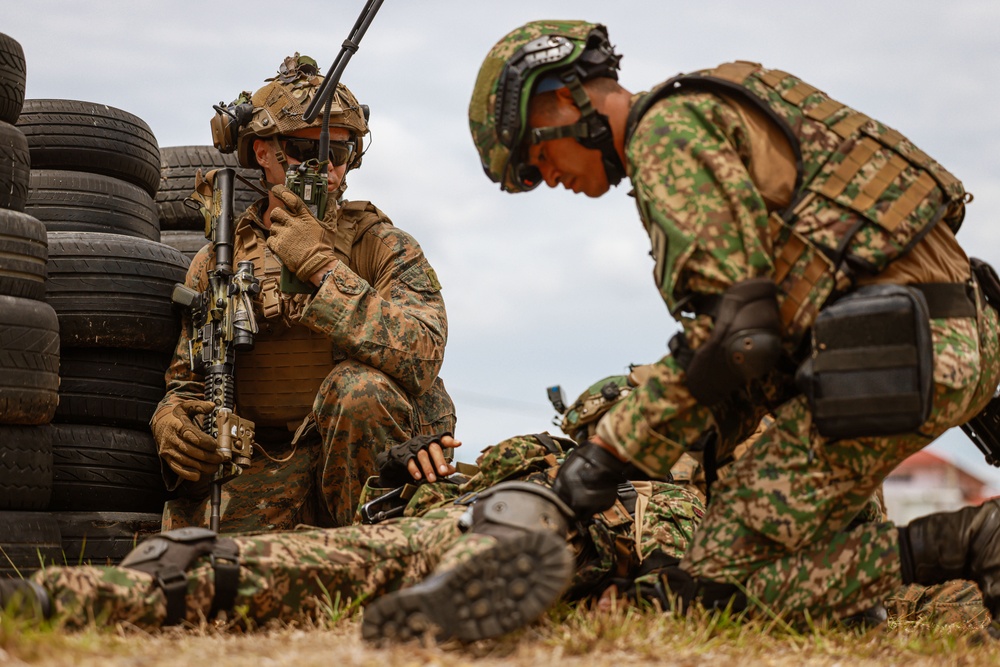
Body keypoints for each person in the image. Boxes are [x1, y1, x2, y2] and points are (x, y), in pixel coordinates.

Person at [468, 21, 1000, 627]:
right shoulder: (717, 103)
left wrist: (602, 458)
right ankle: (856, 614)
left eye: (537, 156)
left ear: (566, 97)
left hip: (891, 356)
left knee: (712, 597)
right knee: (748, 559)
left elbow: (737, 338)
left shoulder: (665, 134)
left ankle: (971, 540)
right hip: (953, 337)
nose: (548, 179)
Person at [0, 432, 704, 645]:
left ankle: (76, 594)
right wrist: (399, 474)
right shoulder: (550, 451)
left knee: (337, 561)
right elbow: (434, 497)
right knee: (281, 559)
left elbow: (694, 568)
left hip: (537, 535)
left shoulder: (686, 500)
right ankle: (61, 595)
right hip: (456, 522)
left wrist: (649, 592)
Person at [152, 54, 455, 532]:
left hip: (375, 468)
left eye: (340, 151)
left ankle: (378, 548)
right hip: (266, 465)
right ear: (263, 153)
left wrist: (321, 267)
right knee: (198, 566)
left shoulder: (381, 246)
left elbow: (422, 355)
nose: (326, 167)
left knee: (359, 389)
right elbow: (188, 381)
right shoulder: (219, 261)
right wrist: (171, 419)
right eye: (303, 148)